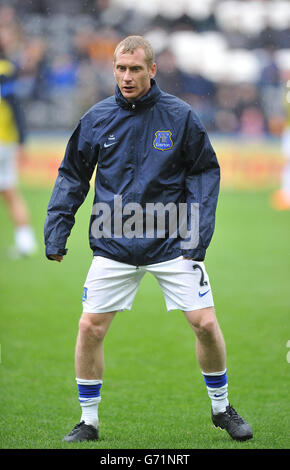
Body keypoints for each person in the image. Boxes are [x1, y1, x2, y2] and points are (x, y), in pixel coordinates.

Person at [44, 35, 253, 443]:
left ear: (152, 70)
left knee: (206, 324)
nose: (126, 77)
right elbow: (73, 174)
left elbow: (204, 173)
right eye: (120, 69)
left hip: (171, 241)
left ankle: (221, 409)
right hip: (114, 243)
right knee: (90, 328)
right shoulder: (97, 118)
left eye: (135, 69)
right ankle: (88, 421)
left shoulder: (180, 116)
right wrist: (57, 229)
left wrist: (195, 233)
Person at [0, 43, 37, 257]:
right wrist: (22, 139)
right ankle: (26, 242)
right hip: (7, 140)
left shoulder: (3, 70)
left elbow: (13, 104)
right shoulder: (6, 68)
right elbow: (15, 105)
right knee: (10, 192)